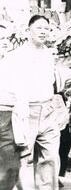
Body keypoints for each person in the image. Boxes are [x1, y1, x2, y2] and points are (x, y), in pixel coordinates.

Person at [9, 15, 60, 190]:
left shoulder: (49, 54)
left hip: (47, 110)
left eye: (47, 28)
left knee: (50, 157)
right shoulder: (16, 56)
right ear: (28, 31)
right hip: (25, 111)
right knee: (23, 159)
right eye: (39, 28)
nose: (44, 31)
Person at [0, 24, 22, 190]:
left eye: (7, 39)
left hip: (8, 116)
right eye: (1, 39)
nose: (5, 42)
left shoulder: (14, 63)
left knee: (11, 165)